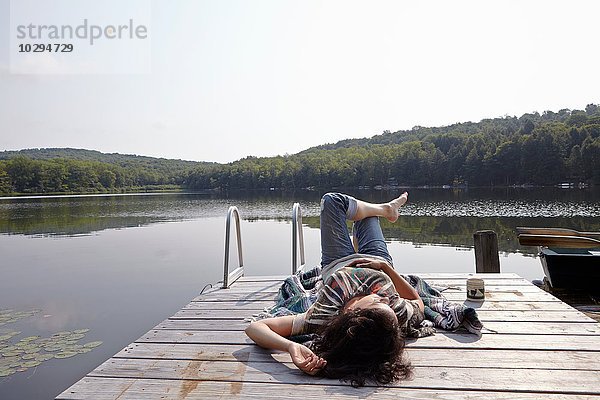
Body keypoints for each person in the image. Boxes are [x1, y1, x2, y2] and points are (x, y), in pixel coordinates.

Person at [245, 192, 425, 387]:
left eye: (377, 302)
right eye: (386, 302)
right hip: (378, 261)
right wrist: (385, 269)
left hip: (337, 262)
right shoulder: (391, 318)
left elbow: (255, 328)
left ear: (353, 312)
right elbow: (418, 304)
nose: (385, 299)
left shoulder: (324, 313)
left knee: (332, 201)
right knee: (368, 216)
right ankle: (386, 210)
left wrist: (290, 346)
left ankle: (384, 210)